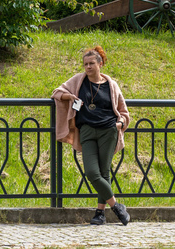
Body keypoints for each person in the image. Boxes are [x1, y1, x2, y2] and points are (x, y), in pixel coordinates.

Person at [51, 46, 131, 226]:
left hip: (108, 131)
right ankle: (117, 207)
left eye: (91, 63)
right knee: (92, 172)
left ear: (100, 64)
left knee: (104, 172)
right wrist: (70, 97)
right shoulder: (79, 81)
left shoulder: (112, 85)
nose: (88, 67)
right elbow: (56, 93)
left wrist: (119, 124)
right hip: (86, 131)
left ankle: (100, 213)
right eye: (85, 64)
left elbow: (123, 111)